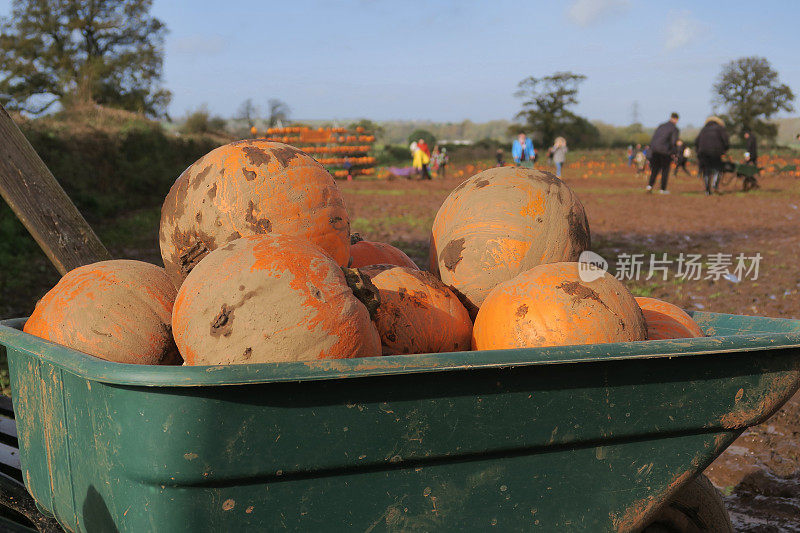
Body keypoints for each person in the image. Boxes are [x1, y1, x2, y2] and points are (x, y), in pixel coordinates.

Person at [695, 116, 730, 195]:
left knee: (706, 170)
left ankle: (707, 190)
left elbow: (696, 141)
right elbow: (726, 141)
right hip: (716, 152)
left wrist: (698, 151)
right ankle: (715, 185)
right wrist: (725, 150)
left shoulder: (703, 129)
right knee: (718, 168)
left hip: (703, 152)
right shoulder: (720, 128)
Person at [647, 112, 680, 194]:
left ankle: (649, 186)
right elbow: (673, 141)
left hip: (654, 150)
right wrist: (675, 153)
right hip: (665, 152)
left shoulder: (661, 126)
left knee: (655, 169)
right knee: (665, 170)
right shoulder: (674, 128)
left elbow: (654, 138)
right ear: (676, 119)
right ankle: (662, 189)